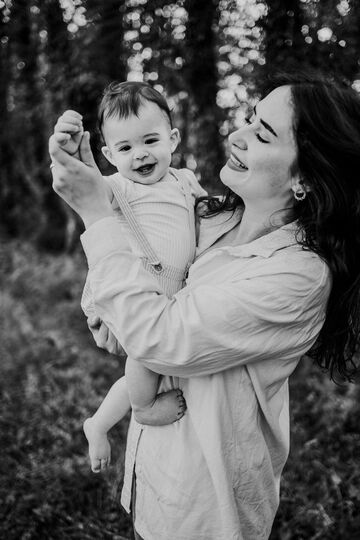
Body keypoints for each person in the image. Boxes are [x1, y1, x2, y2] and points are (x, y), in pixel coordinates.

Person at [49, 73, 360, 540]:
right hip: (154, 471)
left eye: (263, 133)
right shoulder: (209, 218)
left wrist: (95, 214)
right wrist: (89, 172)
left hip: (208, 507)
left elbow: (159, 338)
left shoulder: (298, 275)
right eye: (249, 120)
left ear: (306, 177)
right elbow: (125, 299)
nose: (237, 134)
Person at [53, 81, 205, 474]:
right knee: (145, 359)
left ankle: (99, 423)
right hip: (134, 289)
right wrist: (68, 151)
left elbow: (206, 212)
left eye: (150, 141)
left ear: (172, 139)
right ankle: (142, 408)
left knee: (155, 363)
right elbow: (84, 186)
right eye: (124, 148)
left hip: (172, 293)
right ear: (108, 154)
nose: (139, 155)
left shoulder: (185, 180)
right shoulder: (117, 187)